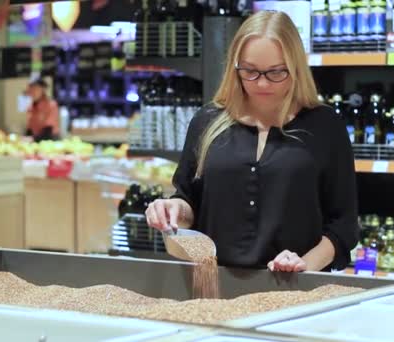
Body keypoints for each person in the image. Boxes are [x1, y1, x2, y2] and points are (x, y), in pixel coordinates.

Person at [145, 11, 359, 273]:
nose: (261, 83)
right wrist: (173, 210)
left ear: (296, 68)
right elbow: (190, 202)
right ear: (235, 67)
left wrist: (306, 264)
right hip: (212, 288)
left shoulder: (325, 126)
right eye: (250, 71)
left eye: (275, 72)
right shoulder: (207, 121)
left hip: (298, 292)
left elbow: (343, 225)